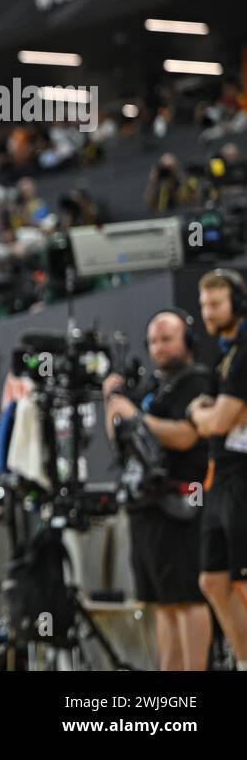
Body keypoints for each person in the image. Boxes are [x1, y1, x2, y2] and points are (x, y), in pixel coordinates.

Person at [102, 310, 214, 670]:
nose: (159, 347)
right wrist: (113, 402)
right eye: (153, 341)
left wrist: (136, 416)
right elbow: (119, 438)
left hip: (182, 502)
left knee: (188, 598)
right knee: (163, 603)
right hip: (144, 504)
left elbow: (185, 436)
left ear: (187, 340)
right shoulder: (151, 387)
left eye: (167, 338)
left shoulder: (196, 381)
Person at [189, 269, 247, 670]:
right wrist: (203, 412)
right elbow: (210, 413)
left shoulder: (245, 351)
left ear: (238, 303)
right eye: (204, 305)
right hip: (219, 476)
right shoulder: (224, 354)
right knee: (212, 580)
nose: (208, 313)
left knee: (243, 580)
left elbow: (219, 421)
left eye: (216, 304)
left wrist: (201, 413)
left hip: (243, 473)